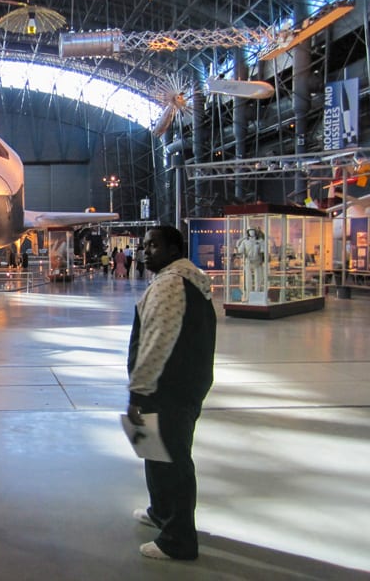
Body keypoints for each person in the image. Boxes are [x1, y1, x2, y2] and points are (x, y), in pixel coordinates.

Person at [126, 226, 216, 560]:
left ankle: (177, 539)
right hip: (184, 383)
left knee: (171, 460)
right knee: (154, 451)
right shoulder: (189, 278)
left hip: (166, 387)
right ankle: (161, 511)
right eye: (144, 246)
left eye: (155, 246)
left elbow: (157, 339)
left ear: (175, 248)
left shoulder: (170, 284)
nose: (146, 252)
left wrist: (140, 387)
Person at [236, 228, 265, 295]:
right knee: (248, 279)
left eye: (253, 230)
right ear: (248, 232)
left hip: (257, 262)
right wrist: (239, 242)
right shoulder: (245, 241)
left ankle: (257, 293)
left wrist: (262, 259)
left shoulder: (260, 241)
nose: (252, 232)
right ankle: (248, 294)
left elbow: (263, 252)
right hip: (248, 262)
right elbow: (240, 251)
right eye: (250, 231)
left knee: (258, 279)